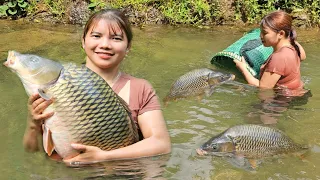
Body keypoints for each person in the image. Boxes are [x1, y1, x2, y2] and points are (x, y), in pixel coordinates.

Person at [23, 9, 171, 165]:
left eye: (116, 38)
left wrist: (105, 157)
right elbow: (33, 151)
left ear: (128, 47)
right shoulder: (54, 83)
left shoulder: (141, 88)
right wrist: (33, 123)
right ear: (83, 41)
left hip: (121, 173)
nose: (105, 45)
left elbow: (161, 144)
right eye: (96, 36)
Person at [234, 10, 307, 94]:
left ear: (281, 34)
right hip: (299, 94)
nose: (260, 36)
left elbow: (263, 88)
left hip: (283, 101)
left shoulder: (279, 58)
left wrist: (243, 68)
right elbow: (303, 56)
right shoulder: (294, 47)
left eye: (264, 33)